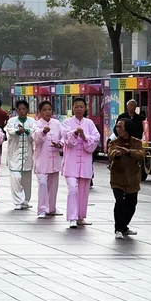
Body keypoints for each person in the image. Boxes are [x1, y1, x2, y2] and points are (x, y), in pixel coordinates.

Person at [62, 97, 100, 228]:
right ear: (73, 108)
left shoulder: (89, 123)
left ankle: (80, 216)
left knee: (83, 191)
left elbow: (96, 138)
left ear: (85, 108)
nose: (79, 109)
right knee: (72, 189)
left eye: (81, 107)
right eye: (76, 107)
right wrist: (75, 133)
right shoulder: (67, 122)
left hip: (85, 164)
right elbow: (67, 139)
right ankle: (72, 217)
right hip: (71, 164)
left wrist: (84, 136)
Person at [108, 118, 144, 239]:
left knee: (131, 204)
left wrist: (128, 151)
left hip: (132, 178)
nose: (118, 129)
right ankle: (118, 229)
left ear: (127, 128)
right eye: (117, 127)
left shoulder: (136, 142)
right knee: (119, 203)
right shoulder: (114, 142)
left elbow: (141, 154)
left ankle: (124, 226)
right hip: (118, 178)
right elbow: (110, 153)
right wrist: (116, 154)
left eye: (121, 127)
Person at [33, 101, 64, 218]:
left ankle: (51, 208)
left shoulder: (57, 123)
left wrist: (60, 144)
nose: (47, 112)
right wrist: (43, 132)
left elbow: (64, 136)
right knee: (42, 184)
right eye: (45, 110)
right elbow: (36, 139)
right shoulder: (37, 124)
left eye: (49, 109)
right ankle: (42, 209)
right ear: (40, 112)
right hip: (42, 160)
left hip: (54, 160)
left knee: (53, 185)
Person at [5, 100, 37, 210]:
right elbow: (10, 131)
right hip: (14, 155)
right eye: (19, 109)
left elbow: (35, 134)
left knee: (26, 180)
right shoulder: (12, 121)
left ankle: (26, 200)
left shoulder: (32, 121)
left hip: (28, 155)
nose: (22, 111)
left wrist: (27, 131)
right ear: (16, 110)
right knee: (16, 177)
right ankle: (18, 201)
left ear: (27, 110)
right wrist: (18, 131)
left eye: (24, 109)